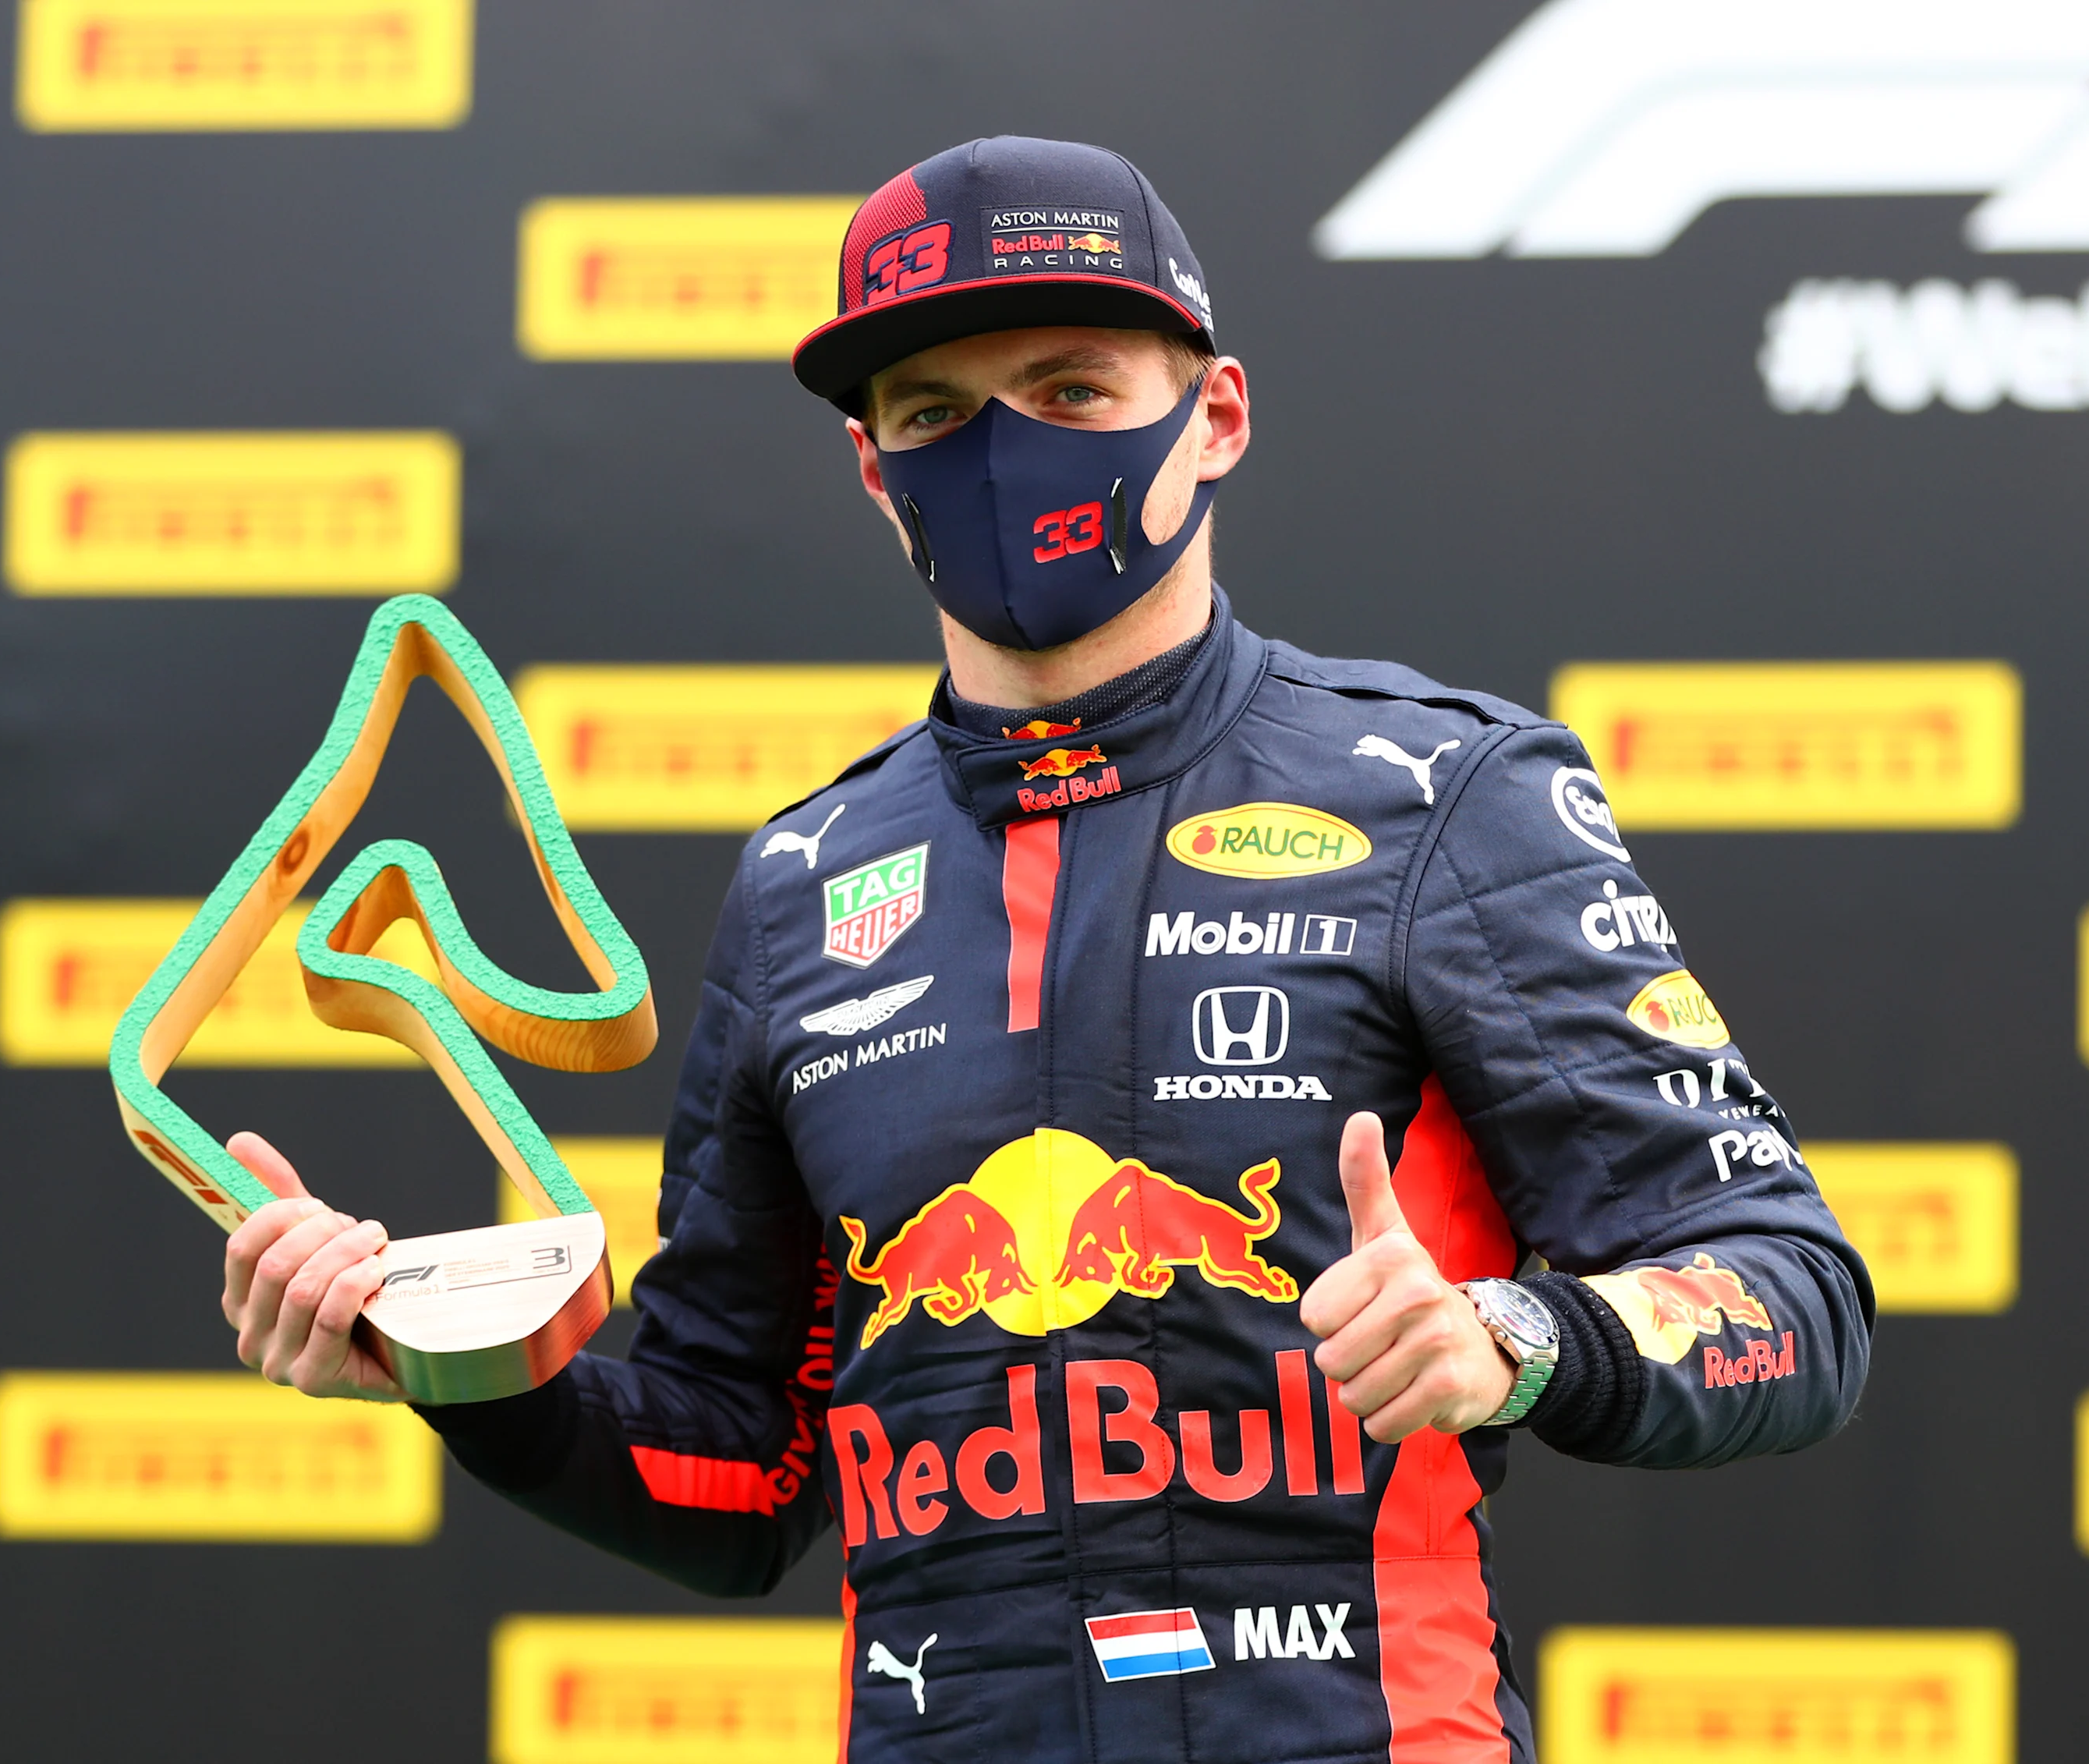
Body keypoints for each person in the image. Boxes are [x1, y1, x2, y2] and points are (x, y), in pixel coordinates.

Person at [221, 136, 1872, 1762]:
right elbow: (737, 1474)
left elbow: (1794, 1303)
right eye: (933, 414)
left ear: (1212, 414)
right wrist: (457, 1373)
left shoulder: (1447, 797)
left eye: (1071, 388)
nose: (999, 450)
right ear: (875, 475)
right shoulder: (806, 880)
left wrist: (1516, 1342)